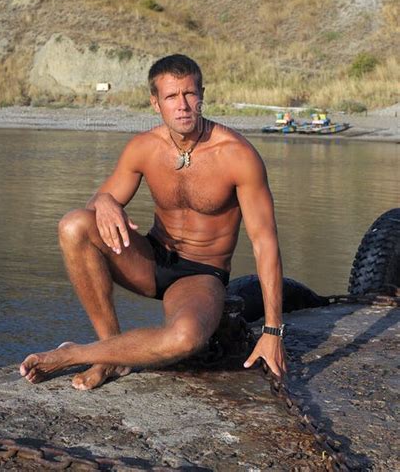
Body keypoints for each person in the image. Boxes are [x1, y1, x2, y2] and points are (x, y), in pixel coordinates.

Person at [20, 54, 287, 389]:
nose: (183, 105)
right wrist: (103, 201)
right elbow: (97, 205)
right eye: (172, 97)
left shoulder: (237, 155)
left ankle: (80, 353)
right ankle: (111, 356)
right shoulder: (144, 147)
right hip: (151, 258)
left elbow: (265, 244)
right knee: (74, 225)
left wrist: (273, 331)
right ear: (155, 103)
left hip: (200, 274)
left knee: (185, 338)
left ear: (202, 94)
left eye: (190, 94)